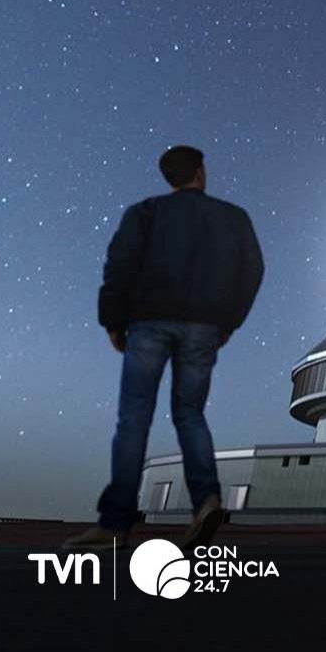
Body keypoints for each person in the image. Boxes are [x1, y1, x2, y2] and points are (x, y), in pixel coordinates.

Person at [63, 146, 264, 552]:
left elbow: (119, 265)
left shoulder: (146, 212)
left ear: (168, 178)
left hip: (149, 322)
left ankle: (116, 523)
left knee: (134, 419)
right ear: (201, 173)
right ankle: (206, 499)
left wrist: (113, 321)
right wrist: (228, 322)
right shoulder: (233, 217)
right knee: (190, 413)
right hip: (204, 327)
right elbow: (252, 270)